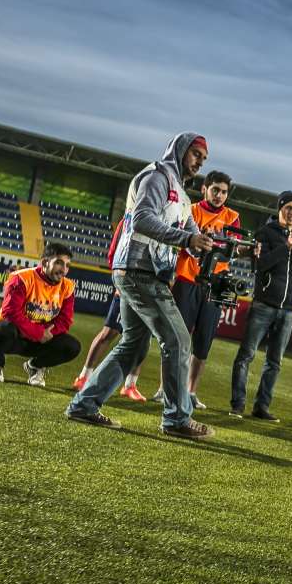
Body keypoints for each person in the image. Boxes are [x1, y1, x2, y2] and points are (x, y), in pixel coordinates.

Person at [65, 132, 215, 438]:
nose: (199, 162)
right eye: (196, 154)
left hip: (140, 269)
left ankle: (85, 405)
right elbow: (143, 219)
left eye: (204, 158)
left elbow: (193, 235)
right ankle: (176, 419)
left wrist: (213, 245)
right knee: (178, 340)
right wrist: (187, 239)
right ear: (181, 150)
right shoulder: (157, 177)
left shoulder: (182, 197)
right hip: (140, 269)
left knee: (133, 345)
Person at [230, 191, 292, 421]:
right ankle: (238, 405)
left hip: (288, 310)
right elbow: (260, 265)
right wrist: (285, 247)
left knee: (274, 363)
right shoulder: (265, 233)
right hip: (264, 305)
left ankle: (261, 407)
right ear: (280, 208)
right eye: (289, 208)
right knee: (246, 355)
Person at [169, 169, 240, 410]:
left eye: (224, 192)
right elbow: (180, 241)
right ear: (204, 189)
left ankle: (190, 392)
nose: (220, 195)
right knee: (178, 338)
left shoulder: (232, 217)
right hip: (188, 279)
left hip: (216, 285)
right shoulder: (191, 210)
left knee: (203, 343)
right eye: (215, 190)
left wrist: (248, 250)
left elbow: (235, 249)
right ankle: (165, 388)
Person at [0, 242, 80, 386]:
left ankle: (35, 366)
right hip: (15, 336)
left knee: (72, 346)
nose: (64, 270)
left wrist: (44, 333)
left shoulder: (68, 287)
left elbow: (65, 320)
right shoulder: (21, 278)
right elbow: (11, 313)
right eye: (59, 263)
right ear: (45, 262)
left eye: (67, 265)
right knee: (5, 328)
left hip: (39, 339)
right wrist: (37, 332)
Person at [71, 292, 150, 401]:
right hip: (128, 292)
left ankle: (130, 386)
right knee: (108, 333)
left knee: (141, 339)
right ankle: (84, 377)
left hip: (149, 300)